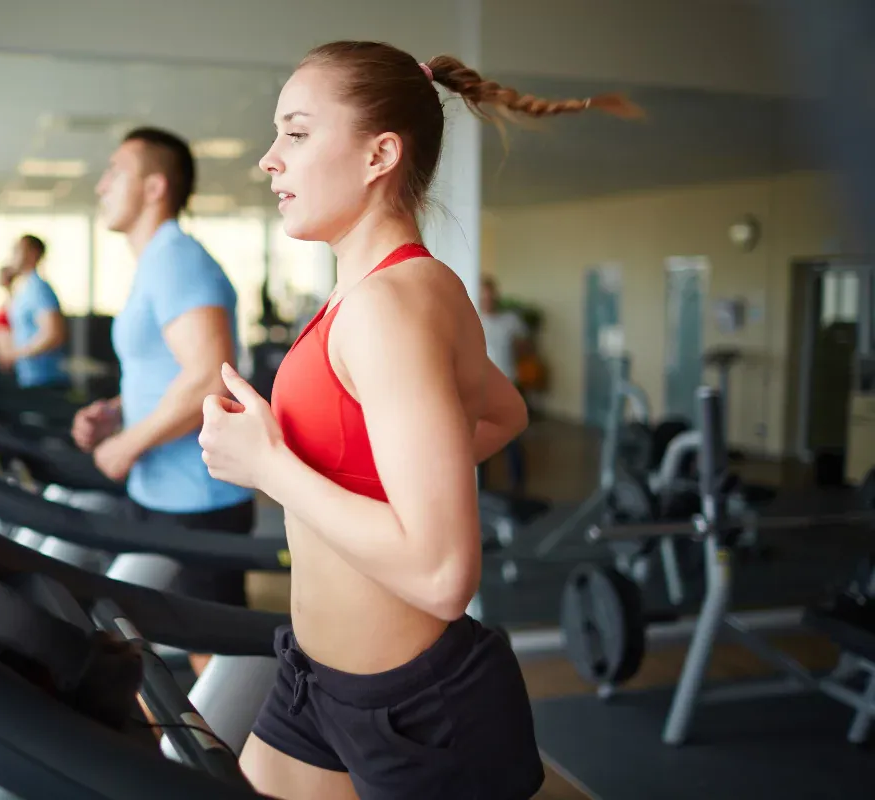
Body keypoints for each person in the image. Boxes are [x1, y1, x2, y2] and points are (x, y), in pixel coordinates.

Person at [197, 41, 640, 799]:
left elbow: (441, 576)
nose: (270, 160)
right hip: (318, 683)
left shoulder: (387, 307)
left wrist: (270, 466)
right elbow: (504, 413)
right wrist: (387, 473)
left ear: (380, 155)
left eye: (296, 133)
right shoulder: (390, 290)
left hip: (415, 710)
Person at [71, 127, 254, 671]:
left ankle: (246, 756)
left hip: (196, 498)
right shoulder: (156, 261)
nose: (101, 184)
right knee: (146, 644)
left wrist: (126, 445)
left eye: (115, 172)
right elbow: (169, 370)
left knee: (221, 664)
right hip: (164, 492)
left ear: (154, 187)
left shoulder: (176, 258)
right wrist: (117, 411)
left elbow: (209, 377)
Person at [478, 275, 529, 493]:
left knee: (513, 437)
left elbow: (524, 345)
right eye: (484, 296)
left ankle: (518, 485)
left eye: (491, 296)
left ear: (496, 296)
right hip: (482, 387)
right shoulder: (472, 317)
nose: (488, 300)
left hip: (509, 384)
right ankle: (481, 487)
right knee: (481, 436)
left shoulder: (510, 320)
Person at [0, 234, 69, 390]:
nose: (13, 255)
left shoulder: (39, 289)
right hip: (28, 378)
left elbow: (53, 335)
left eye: (18, 250)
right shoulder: (24, 289)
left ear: (32, 253)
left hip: (45, 381)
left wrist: (15, 354)